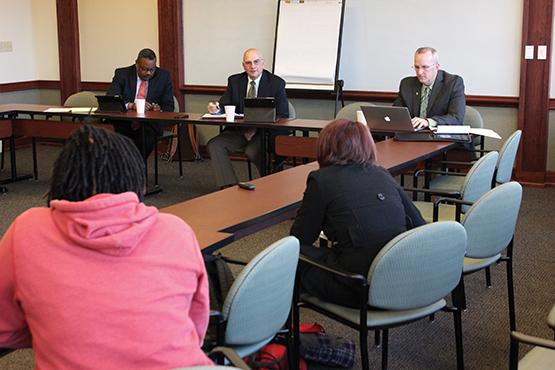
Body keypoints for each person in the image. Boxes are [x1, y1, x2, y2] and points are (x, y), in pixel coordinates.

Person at [0, 126, 212, 369]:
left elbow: (4, 330)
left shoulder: (28, 229)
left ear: (59, 180)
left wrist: (60, 326)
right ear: (138, 182)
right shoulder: (176, 231)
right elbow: (196, 327)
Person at [290, 119, 425, 308]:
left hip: (359, 285)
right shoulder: (381, 173)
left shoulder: (321, 180)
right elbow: (419, 224)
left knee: (287, 257)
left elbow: (299, 239)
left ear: (325, 146)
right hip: (399, 278)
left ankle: (286, 332)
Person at [206, 48, 289, 188]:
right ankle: (229, 187)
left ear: (263, 63)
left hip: (263, 133)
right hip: (240, 131)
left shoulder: (276, 83)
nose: (253, 66)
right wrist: (216, 108)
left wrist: (255, 129)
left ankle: (273, 182)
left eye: (256, 62)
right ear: (243, 65)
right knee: (215, 145)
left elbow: (283, 114)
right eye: (248, 63)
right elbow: (224, 104)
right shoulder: (235, 81)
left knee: (252, 151)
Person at [107, 48, 174, 158]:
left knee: (145, 138)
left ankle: (136, 169)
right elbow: (111, 99)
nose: (148, 73)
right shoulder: (122, 74)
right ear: (136, 64)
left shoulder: (163, 76)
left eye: (152, 70)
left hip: (149, 124)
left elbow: (169, 105)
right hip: (125, 121)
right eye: (144, 69)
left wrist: (158, 109)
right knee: (116, 137)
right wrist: (131, 105)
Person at [393, 47, 465, 130]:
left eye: (425, 67)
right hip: (412, 136)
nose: (419, 72)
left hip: (441, 138)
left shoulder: (453, 83)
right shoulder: (407, 84)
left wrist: (428, 122)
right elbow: (396, 114)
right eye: (417, 67)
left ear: (436, 67)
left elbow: (456, 118)